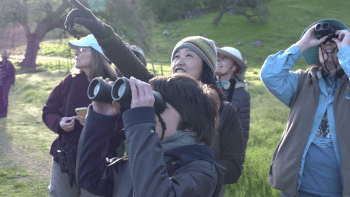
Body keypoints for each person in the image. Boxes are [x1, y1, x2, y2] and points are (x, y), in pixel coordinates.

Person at [64, 1, 244, 196]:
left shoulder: (224, 114)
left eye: (189, 55)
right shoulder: (161, 91)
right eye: (176, 56)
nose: (180, 61)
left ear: (206, 66)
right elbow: (127, 61)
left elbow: (233, 166)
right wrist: (100, 30)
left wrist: (198, 167)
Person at [77, 74, 226, 197]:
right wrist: (101, 120)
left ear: (190, 124)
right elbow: (91, 178)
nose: (149, 111)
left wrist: (141, 120)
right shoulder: (141, 159)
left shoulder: (202, 172)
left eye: (158, 105)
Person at [260, 19, 350, 196]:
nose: (329, 48)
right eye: (324, 44)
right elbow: (269, 75)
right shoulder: (301, 82)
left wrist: (346, 51)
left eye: (335, 45)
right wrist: (303, 44)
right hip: (297, 186)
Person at [42, 34, 119, 197]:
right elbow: (48, 111)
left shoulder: (115, 85)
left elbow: (124, 127)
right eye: (77, 49)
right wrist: (59, 122)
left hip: (99, 164)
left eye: (82, 49)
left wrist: (99, 124)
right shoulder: (68, 82)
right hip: (65, 159)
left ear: (98, 54)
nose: (76, 53)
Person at [215, 47, 250, 167]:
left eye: (224, 58)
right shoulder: (203, 86)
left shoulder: (242, 94)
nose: (218, 60)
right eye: (217, 57)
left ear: (235, 67)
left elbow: (242, 132)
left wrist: (236, 163)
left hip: (222, 156)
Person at [0, 51, 16, 118]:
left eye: (5, 55)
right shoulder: (0, 63)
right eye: (3, 54)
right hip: (0, 83)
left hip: (7, 83)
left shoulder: (10, 64)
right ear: (1, 55)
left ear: (7, 56)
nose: (4, 56)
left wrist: (12, 82)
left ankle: (4, 113)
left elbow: (12, 74)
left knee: (4, 97)